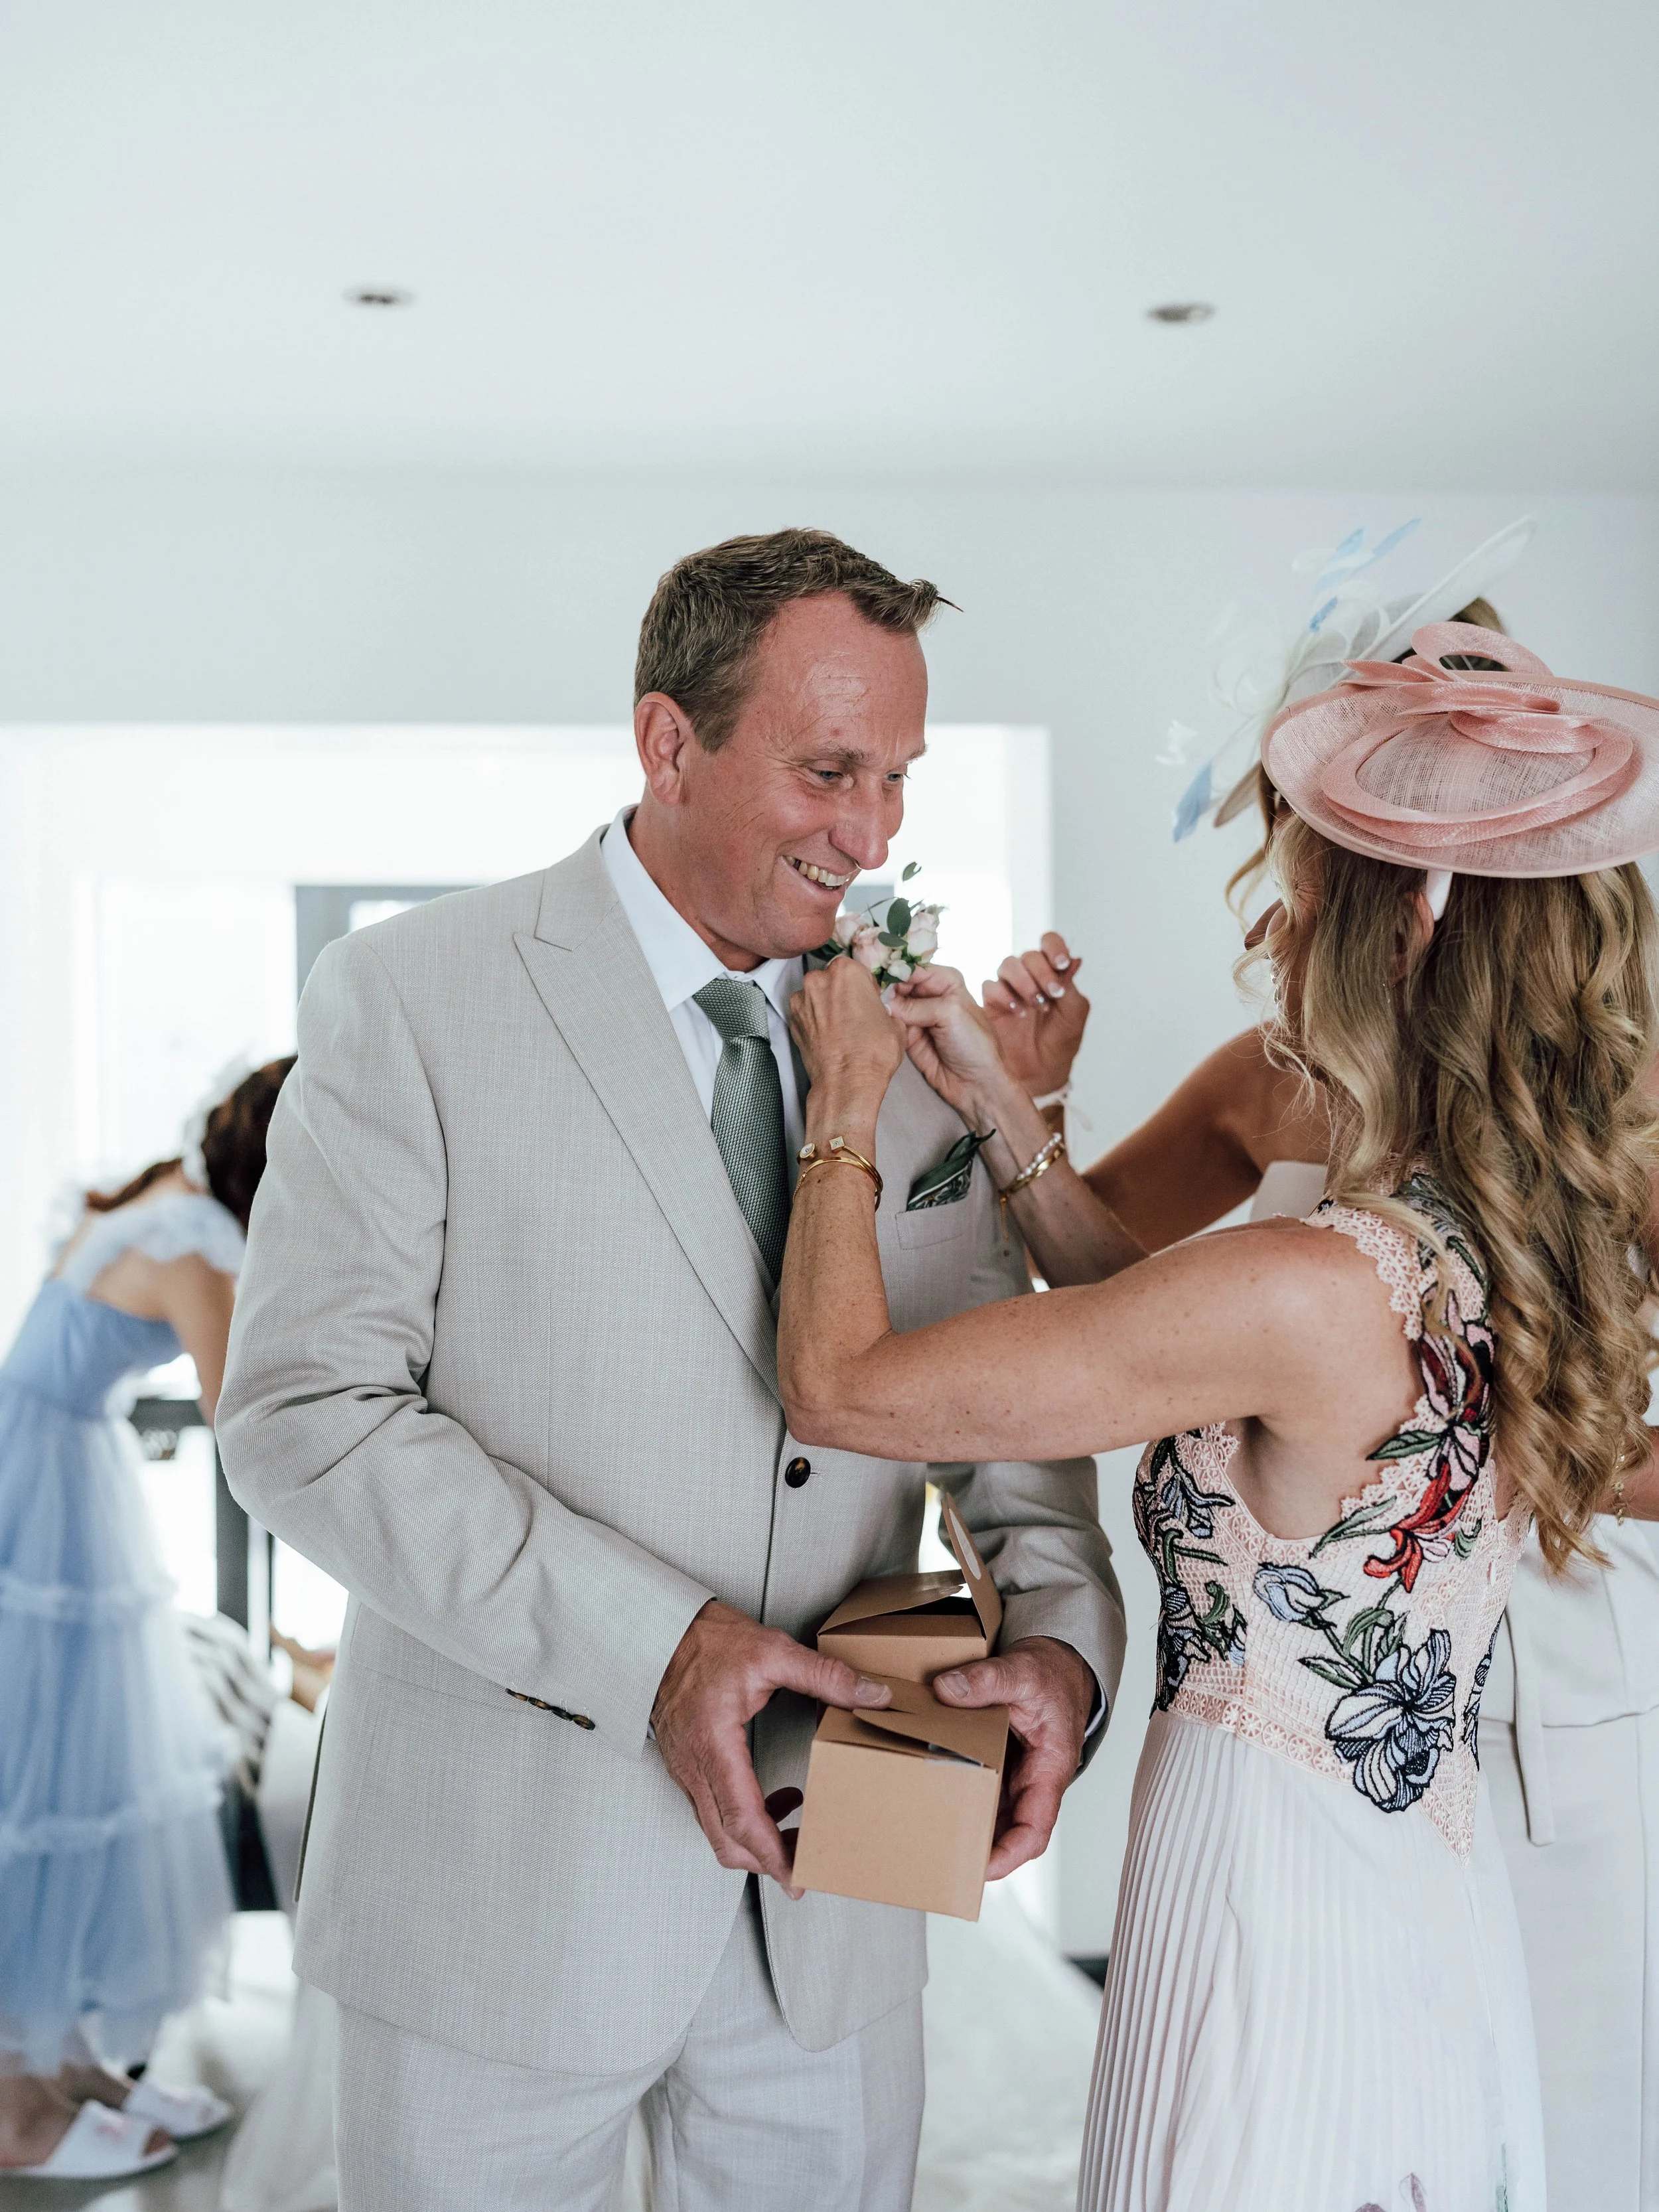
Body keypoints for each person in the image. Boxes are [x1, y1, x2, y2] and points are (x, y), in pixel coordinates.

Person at [216, 528, 1125, 2212]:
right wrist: (661, 1649)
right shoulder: (411, 996)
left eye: (901, 777)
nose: (872, 835)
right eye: (830, 769)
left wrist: (1065, 1658)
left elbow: (1017, 1432)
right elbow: (302, 1420)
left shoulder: (923, 1058)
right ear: (667, 739)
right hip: (493, 1908)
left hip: (841, 1907)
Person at [778, 617, 1659, 2209]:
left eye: (1306, 871)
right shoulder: (1434, 1239)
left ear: (1408, 911)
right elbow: (1162, 1338)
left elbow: (841, 1387)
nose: (1277, 910)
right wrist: (1003, 1102)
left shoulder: (1304, 1285)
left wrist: (843, 1101)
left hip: (1299, 1870)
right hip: (1396, 1850)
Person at [0, 1057, 295, 2181]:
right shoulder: (201, 1242)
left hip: (53, 1452)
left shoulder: (168, 1199)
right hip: (47, 1472)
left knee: (69, 1777)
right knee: (38, 1787)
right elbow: (240, 1411)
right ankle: (15, 2106)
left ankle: (69, 2065)